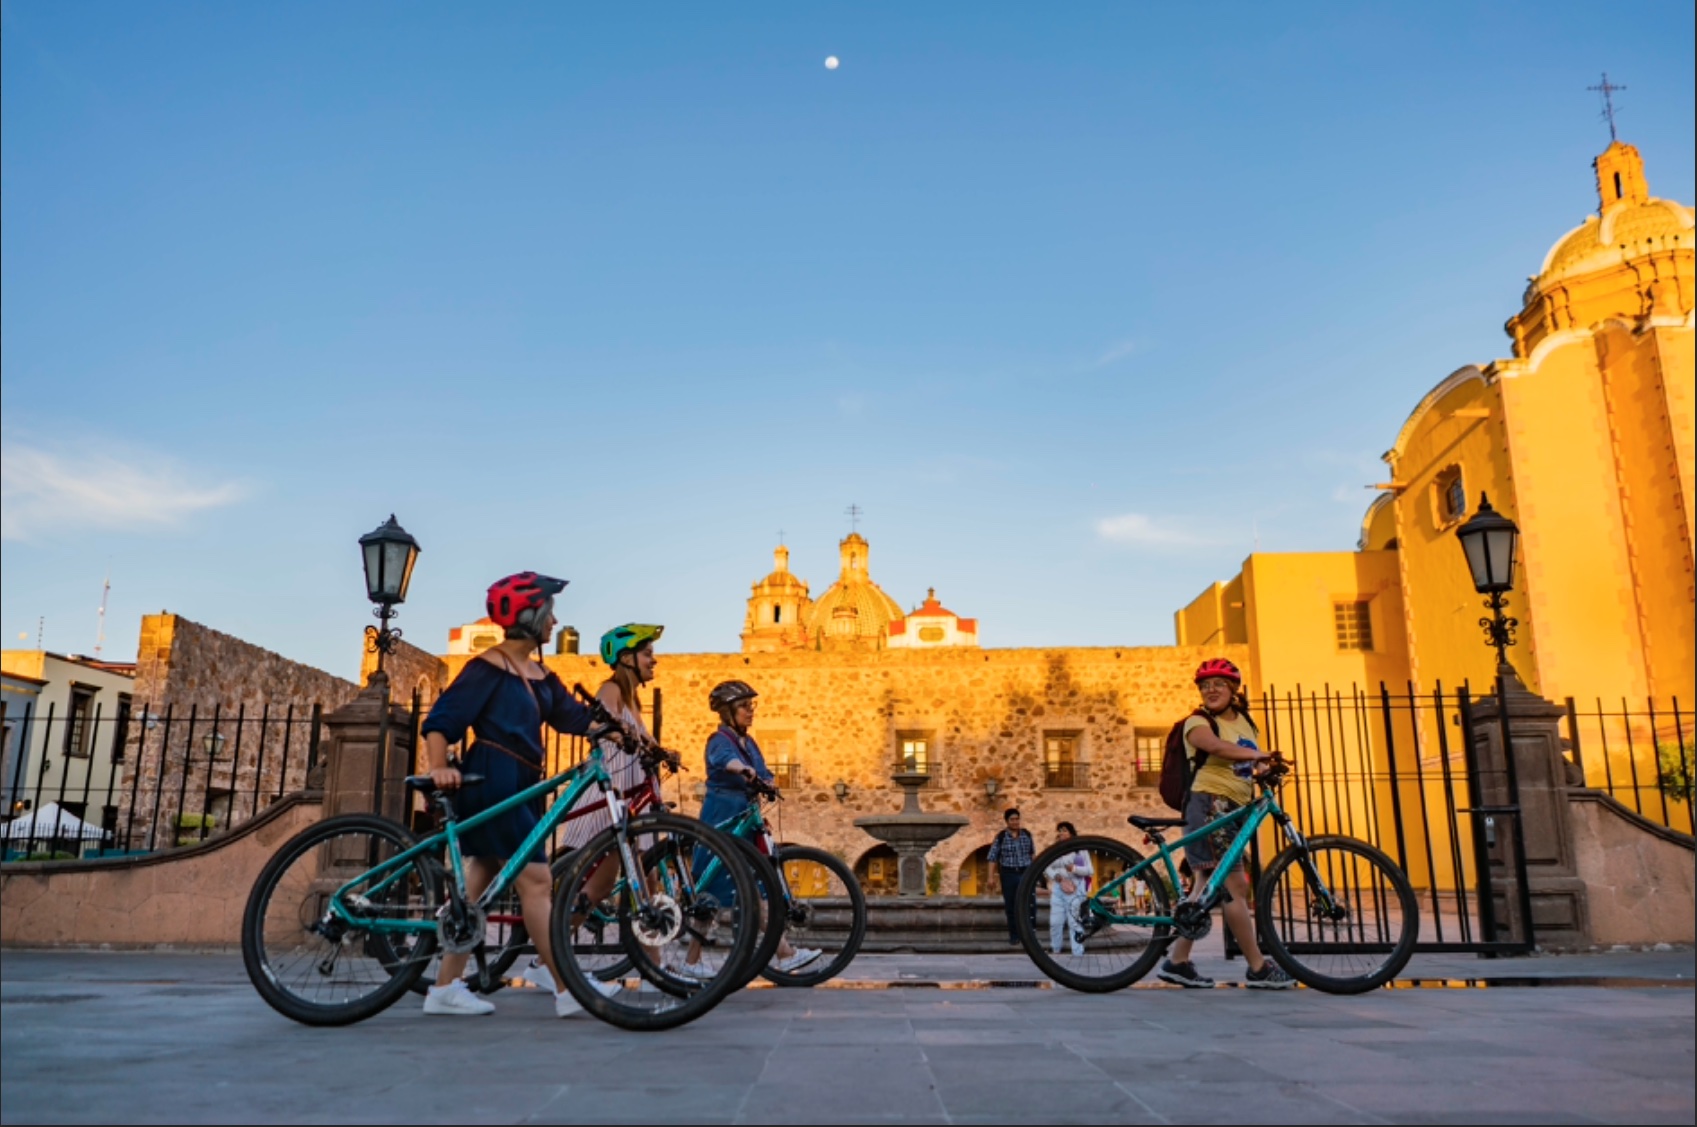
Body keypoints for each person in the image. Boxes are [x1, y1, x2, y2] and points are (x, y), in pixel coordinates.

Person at [417, 572, 599, 1018]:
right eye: (549, 613)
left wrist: (614, 729)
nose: (555, 622)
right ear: (532, 616)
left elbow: (574, 717)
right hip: (493, 778)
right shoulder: (486, 667)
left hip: (523, 782)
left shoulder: (540, 675)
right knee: (536, 881)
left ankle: (444, 988)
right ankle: (568, 988)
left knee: (480, 877)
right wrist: (438, 766)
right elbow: (442, 720)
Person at [511, 623, 669, 992]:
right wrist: (623, 734)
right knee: (603, 885)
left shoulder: (633, 700)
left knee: (647, 881)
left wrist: (662, 751)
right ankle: (545, 961)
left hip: (630, 797)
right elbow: (603, 721)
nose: (654, 660)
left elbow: (642, 739)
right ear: (626, 658)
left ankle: (654, 969)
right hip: (610, 793)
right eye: (647, 654)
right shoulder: (611, 689)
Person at [1156, 658, 1293, 990]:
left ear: (1233, 689)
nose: (1211, 690)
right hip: (1208, 804)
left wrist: (1266, 768)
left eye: (1218, 684)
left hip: (1233, 807)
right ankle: (1259, 967)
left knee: (1206, 884)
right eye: (1205, 686)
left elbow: (1248, 760)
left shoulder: (1247, 724)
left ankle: (1178, 962)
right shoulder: (1197, 722)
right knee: (1234, 887)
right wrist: (1257, 756)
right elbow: (1215, 746)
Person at [676, 680, 821, 977]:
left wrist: (768, 782)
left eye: (750, 705)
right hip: (722, 816)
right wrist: (742, 769)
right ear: (727, 711)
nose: (750, 711)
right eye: (743, 706)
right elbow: (723, 760)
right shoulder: (719, 739)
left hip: (745, 818)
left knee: (754, 888)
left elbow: (763, 771)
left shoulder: (750, 743)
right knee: (710, 893)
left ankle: (784, 954)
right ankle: (693, 962)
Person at [986, 807, 1036, 945]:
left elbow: (1032, 855)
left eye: (1017, 819)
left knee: (1030, 904)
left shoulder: (1026, 835)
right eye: (1012, 819)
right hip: (1009, 873)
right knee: (1011, 905)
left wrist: (1036, 872)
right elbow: (992, 857)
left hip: (1025, 872)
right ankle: (1014, 935)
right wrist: (990, 877)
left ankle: (1030, 934)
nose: (1015, 822)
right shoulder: (1001, 837)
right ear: (1007, 821)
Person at [1043, 822, 1093, 957]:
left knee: (1074, 921)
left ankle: (1077, 951)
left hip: (1076, 886)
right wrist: (1056, 876)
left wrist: (1074, 869)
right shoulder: (1055, 849)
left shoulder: (1080, 850)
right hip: (1059, 886)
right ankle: (1056, 949)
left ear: (1071, 832)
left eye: (1065, 830)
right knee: (1055, 921)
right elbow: (1047, 867)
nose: (1062, 833)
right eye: (1059, 831)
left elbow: (1090, 870)